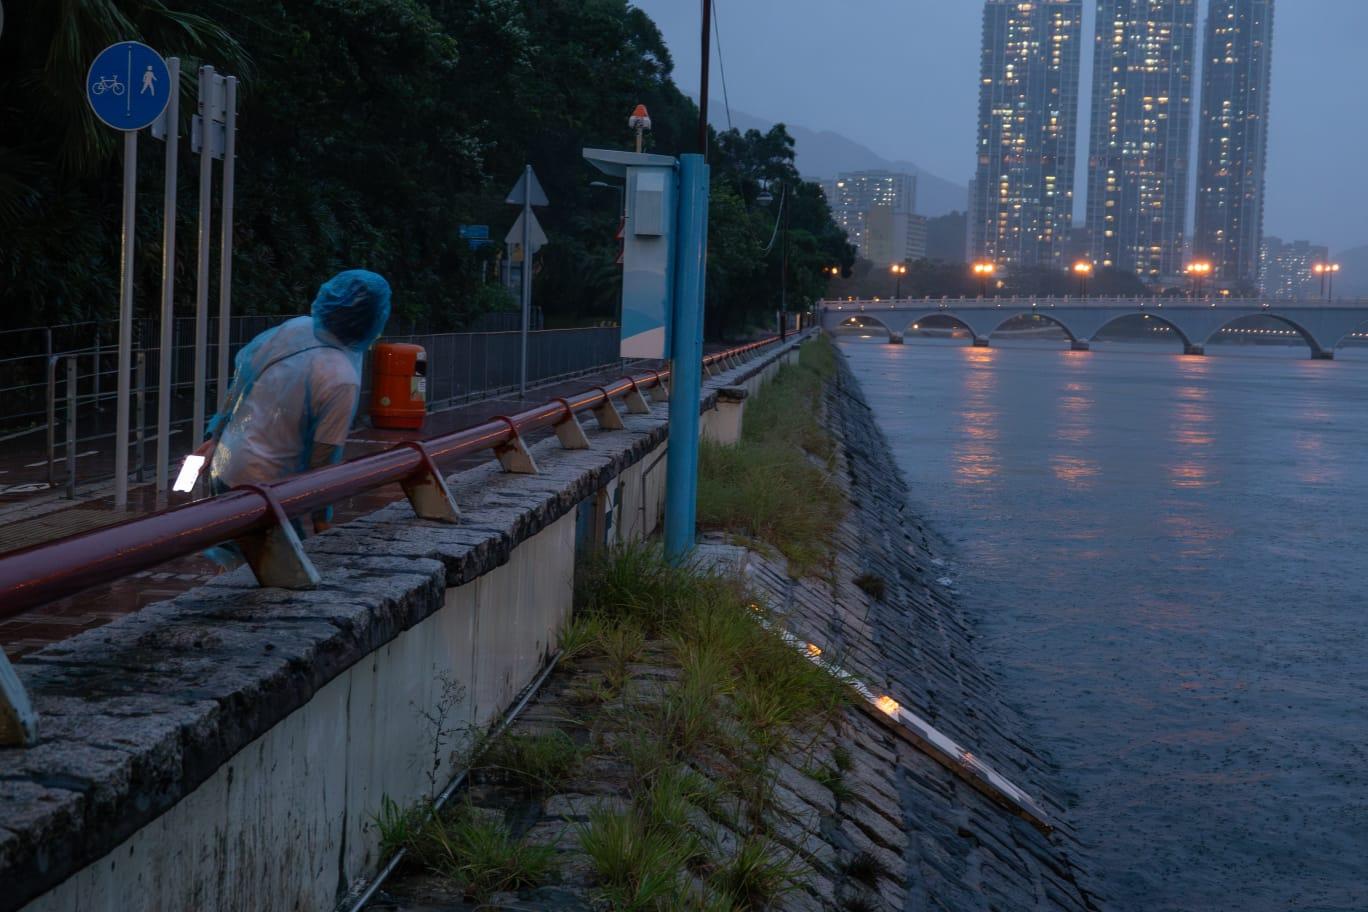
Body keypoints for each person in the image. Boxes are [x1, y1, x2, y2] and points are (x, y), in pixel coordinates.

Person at [203, 269, 391, 538]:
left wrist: (215, 435)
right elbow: (322, 458)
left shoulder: (293, 329)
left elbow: (241, 383)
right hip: (270, 487)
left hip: (226, 465)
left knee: (233, 560)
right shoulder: (342, 378)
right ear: (374, 320)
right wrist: (320, 517)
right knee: (270, 570)